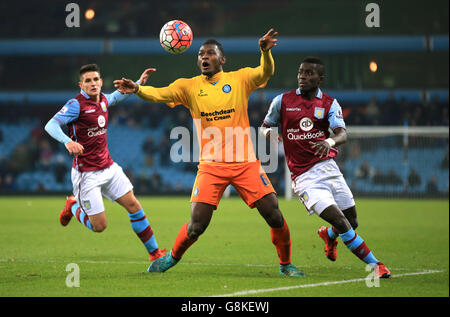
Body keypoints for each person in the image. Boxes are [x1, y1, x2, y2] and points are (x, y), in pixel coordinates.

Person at [114, 29, 305, 277]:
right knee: (196, 226)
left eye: (210, 53)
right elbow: (160, 94)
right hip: (211, 166)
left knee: (274, 214)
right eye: (201, 54)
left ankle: (285, 264)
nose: (204, 57)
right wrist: (138, 89)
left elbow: (265, 72)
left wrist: (265, 52)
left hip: (245, 163)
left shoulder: (240, 79)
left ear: (222, 59)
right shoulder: (189, 86)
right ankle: (171, 258)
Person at [261, 56, 391, 279]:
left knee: (351, 222)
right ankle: (376, 266)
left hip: (329, 169)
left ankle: (329, 236)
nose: (303, 76)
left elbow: (342, 134)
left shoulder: (330, 104)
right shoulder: (282, 101)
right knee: (340, 221)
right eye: (301, 72)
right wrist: (270, 134)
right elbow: (264, 126)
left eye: (309, 73)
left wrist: (329, 141)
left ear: (320, 78)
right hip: (305, 178)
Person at [44, 64, 166, 263]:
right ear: (81, 85)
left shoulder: (103, 100)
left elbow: (116, 96)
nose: (93, 83)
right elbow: (50, 125)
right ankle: (73, 206)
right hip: (86, 174)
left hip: (109, 168)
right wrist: (67, 141)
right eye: (88, 81)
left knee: (134, 205)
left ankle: (154, 253)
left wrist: (138, 84)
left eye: (95, 79)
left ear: (101, 81)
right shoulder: (76, 105)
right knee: (99, 226)